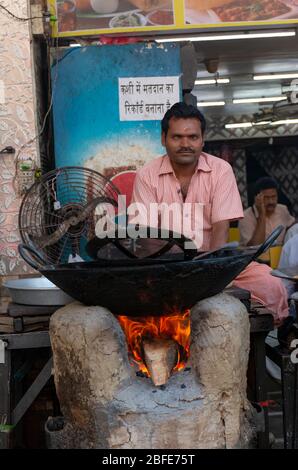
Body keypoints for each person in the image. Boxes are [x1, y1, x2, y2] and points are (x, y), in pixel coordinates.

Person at [130, 102, 288, 324]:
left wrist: (212, 277)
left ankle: (264, 338)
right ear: (163, 139)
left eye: (193, 137)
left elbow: (220, 229)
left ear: (202, 139)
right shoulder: (147, 175)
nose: (186, 144)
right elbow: (145, 236)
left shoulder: (221, 170)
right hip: (166, 266)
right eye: (177, 137)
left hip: (214, 262)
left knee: (270, 283)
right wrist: (175, 270)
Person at [239, 177, 295, 246]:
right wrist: (262, 214)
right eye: (266, 198)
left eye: (273, 197)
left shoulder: (282, 209)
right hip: (258, 256)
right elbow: (255, 247)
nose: (271, 201)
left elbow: (292, 227)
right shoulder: (245, 217)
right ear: (257, 198)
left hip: (280, 254)